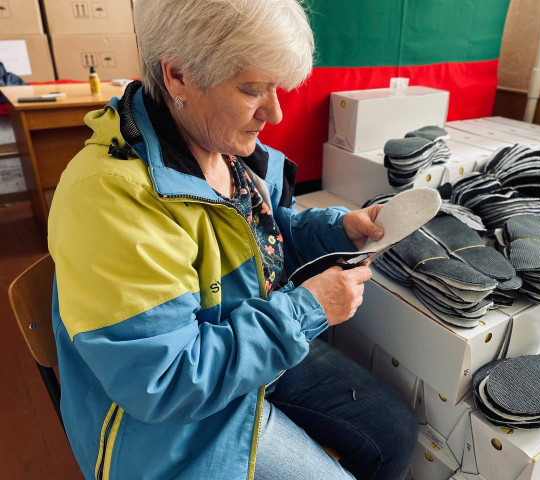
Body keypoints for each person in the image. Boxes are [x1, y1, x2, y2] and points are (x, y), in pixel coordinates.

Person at [48, 0, 419, 478]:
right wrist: (306, 310)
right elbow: (165, 382)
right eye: (252, 89)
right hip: (179, 419)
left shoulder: (224, 145)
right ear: (178, 75)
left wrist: (337, 229)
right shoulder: (110, 199)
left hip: (245, 343)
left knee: (395, 431)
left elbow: (261, 239)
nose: (275, 113)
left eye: (276, 88)